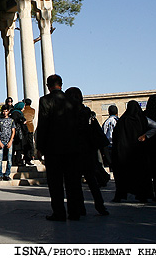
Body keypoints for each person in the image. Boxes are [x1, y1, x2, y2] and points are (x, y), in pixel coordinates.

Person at [36, 74, 82, 221]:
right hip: (72, 147)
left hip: (53, 147)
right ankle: (74, 212)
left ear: (48, 86)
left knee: (55, 182)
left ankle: (59, 212)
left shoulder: (45, 100)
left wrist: (39, 146)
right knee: (72, 181)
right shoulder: (72, 101)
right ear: (61, 84)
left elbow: (43, 125)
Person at [65, 87, 109, 216]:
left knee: (74, 183)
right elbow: (98, 134)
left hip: (73, 153)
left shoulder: (66, 115)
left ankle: (78, 209)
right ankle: (100, 206)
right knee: (92, 181)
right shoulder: (88, 113)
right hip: (88, 152)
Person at [112, 100, 156, 203]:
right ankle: (142, 195)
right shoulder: (143, 119)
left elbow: (116, 137)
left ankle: (120, 195)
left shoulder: (122, 121)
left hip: (125, 154)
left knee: (124, 175)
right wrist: (146, 136)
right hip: (139, 153)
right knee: (141, 174)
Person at [0, 104, 15, 181]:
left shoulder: (11, 120)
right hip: (1, 140)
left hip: (9, 141)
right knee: (0, 159)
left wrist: (10, 141)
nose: (4, 113)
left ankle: (7, 174)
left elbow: (13, 131)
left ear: (8, 112)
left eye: (6, 111)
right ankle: (0, 174)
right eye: (3, 111)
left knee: (9, 159)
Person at [22, 98, 36, 165]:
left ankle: (26, 156)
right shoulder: (33, 110)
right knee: (31, 142)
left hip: (24, 128)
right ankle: (32, 155)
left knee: (25, 143)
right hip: (31, 127)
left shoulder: (23, 111)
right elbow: (32, 117)